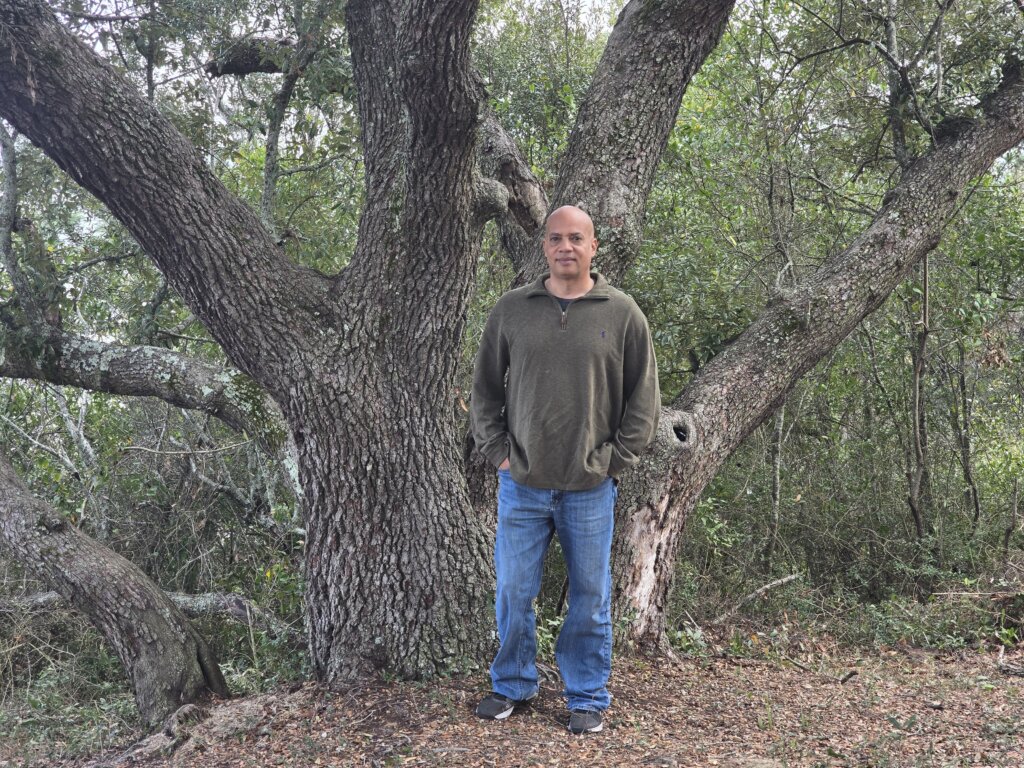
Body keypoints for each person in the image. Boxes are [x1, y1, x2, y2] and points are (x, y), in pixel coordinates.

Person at [470, 205, 660, 735]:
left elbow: (644, 402)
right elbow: (484, 392)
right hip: (522, 484)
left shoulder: (622, 313)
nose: (565, 247)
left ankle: (587, 695)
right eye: (555, 238)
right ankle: (513, 684)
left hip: (589, 487)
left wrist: (612, 462)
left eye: (576, 238)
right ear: (545, 247)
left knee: (591, 599)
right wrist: (499, 454)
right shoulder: (512, 309)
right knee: (513, 591)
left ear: (593, 246)